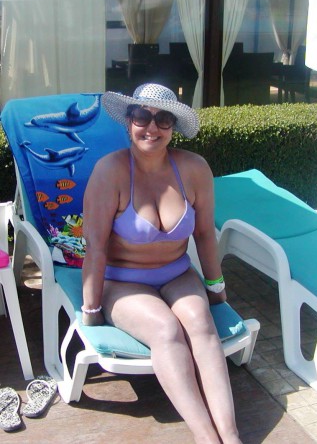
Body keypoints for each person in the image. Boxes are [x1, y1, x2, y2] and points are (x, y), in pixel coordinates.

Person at [81, 83, 242, 444]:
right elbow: (95, 248)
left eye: (163, 119)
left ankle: (230, 435)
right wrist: (91, 310)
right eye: (142, 116)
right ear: (129, 122)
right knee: (166, 330)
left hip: (177, 273)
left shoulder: (194, 168)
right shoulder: (110, 171)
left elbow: (205, 235)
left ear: (173, 127)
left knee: (200, 323)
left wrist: (216, 289)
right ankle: (206, 437)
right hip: (123, 282)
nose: (151, 127)